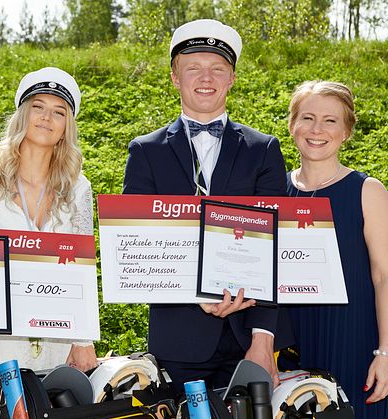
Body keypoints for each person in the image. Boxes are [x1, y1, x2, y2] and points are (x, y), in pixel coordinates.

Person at [122, 19, 289, 393]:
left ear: (231, 78)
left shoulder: (263, 149)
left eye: (217, 68)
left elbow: (276, 244)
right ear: (174, 77)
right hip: (178, 337)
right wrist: (193, 295)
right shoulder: (145, 152)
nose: (205, 77)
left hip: (249, 338)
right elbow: (139, 243)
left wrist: (264, 340)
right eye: (193, 68)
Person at [0, 67, 98, 418]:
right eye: (38, 106)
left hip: (61, 341)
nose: (46, 118)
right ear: (23, 114)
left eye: (59, 111)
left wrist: (83, 341)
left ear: (68, 125)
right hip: (6, 343)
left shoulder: (78, 188)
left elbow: (82, 269)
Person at [285, 80, 388, 417]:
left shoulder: (367, 191)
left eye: (331, 120)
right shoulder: (273, 189)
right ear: (293, 124)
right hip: (292, 343)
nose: (317, 129)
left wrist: (385, 353)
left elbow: (386, 277)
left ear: (346, 131)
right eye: (307, 117)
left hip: (352, 340)